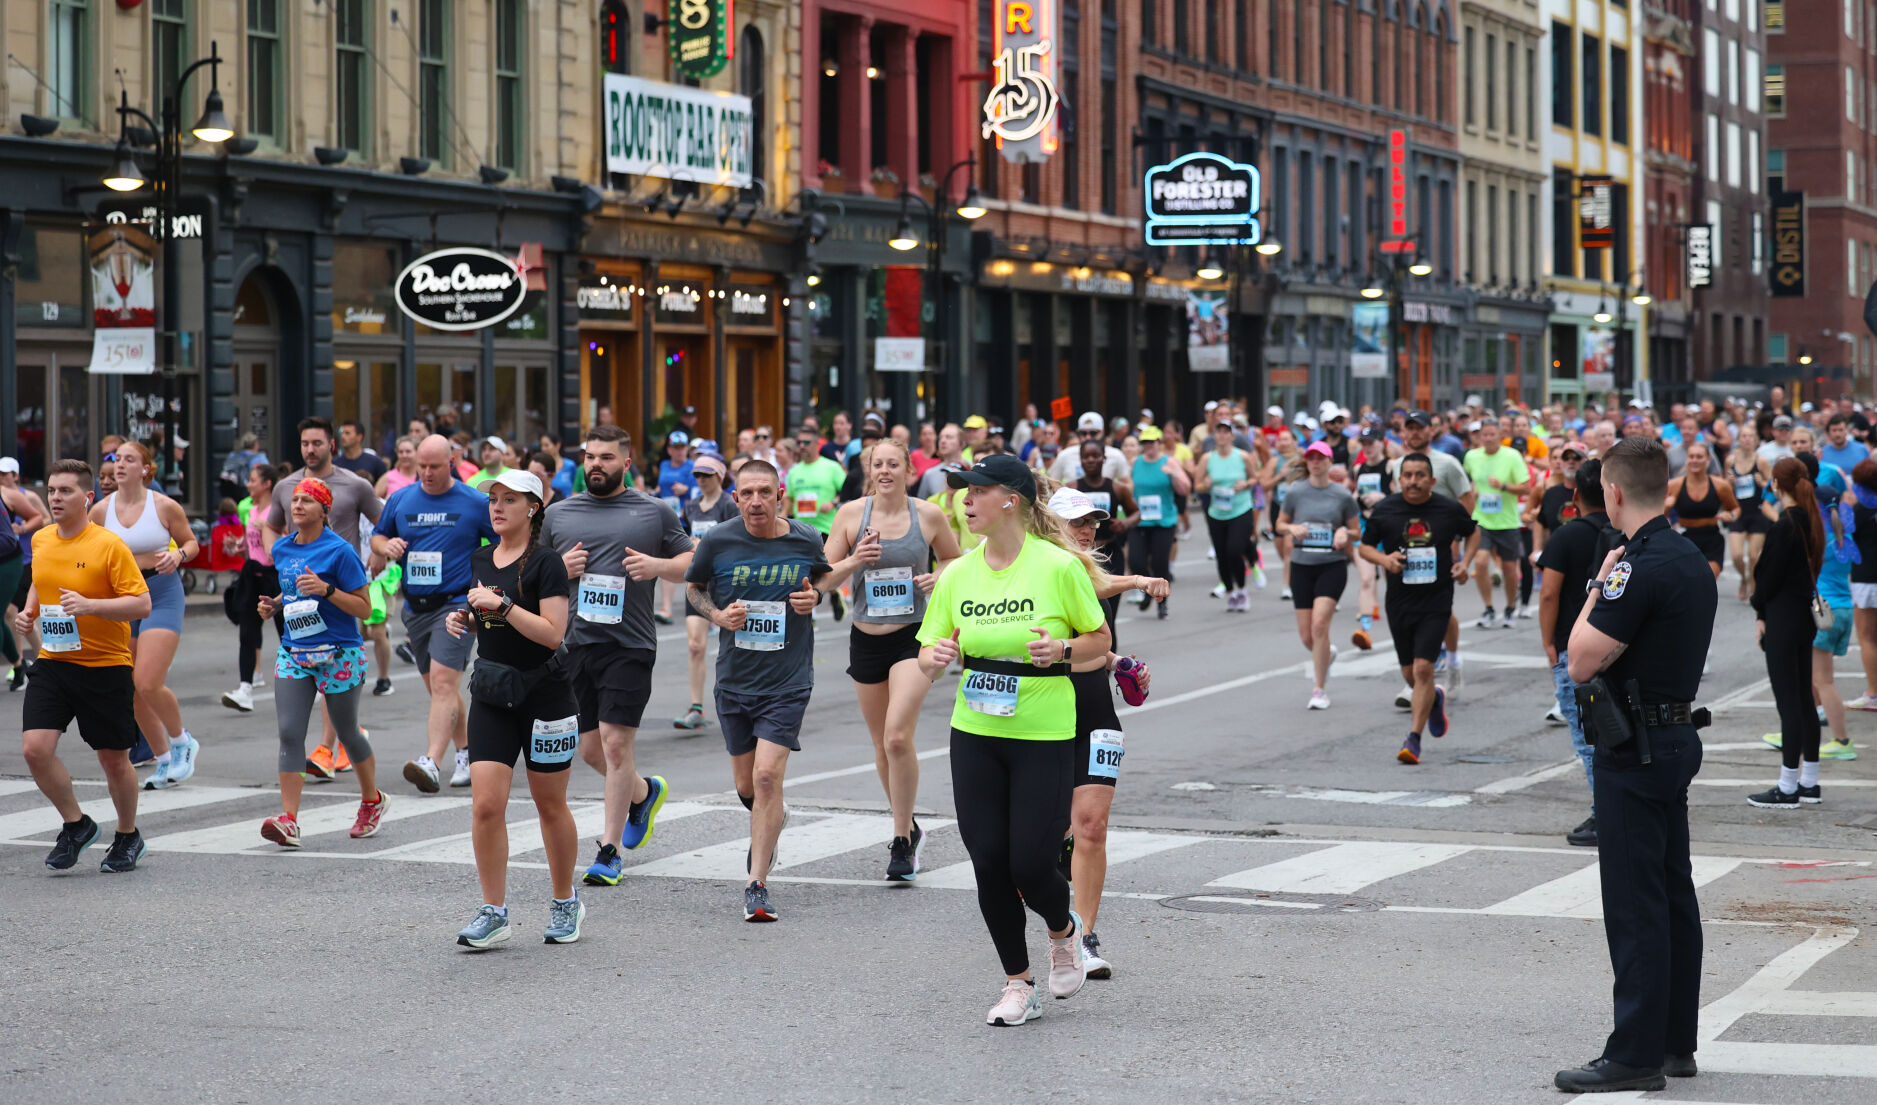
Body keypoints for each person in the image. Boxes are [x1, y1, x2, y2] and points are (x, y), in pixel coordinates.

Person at [916, 455, 1111, 1026]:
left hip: (1043, 733)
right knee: (988, 862)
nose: (965, 500)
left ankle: (1064, 929)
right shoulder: (958, 574)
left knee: (1029, 862)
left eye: (977, 490)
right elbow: (926, 653)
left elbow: (1099, 639)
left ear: (1012, 500)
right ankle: (1018, 984)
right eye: (963, 491)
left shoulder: (1058, 566)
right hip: (975, 732)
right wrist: (936, 656)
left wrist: (1063, 650)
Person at [1554, 436, 1714, 1094]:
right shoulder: (1686, 556)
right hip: (1672, 735)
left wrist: (1597, 584)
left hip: (1635, 748)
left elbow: (1579, 659)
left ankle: (1634, 1053)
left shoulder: (1633, 565)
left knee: (1634, 902)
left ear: (1614, 491)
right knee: (1671, 894)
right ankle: (1674, 1041)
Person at [541, 425, 692, 886]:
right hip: (575, 644)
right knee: (590, 749)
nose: (596, 465)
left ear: (625, 463)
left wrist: (658, 566)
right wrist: (558, 568)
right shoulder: (558, 513)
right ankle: (643, 793)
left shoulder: (654, 512)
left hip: (630, 644)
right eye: (590, 457)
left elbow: (693, 561)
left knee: (614, 744)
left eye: (606, 457)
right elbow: (528, 572)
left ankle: (608, 853)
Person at [444, 470, 586, 949]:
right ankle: (494, 911)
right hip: (493, 692)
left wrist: (500, 605)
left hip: (546, 696)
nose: (498, 507)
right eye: (494, 499)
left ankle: (565, 900)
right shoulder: (481, 557)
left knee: (549, 804)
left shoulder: (546, 562)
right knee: (486, 805)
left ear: (533, 508)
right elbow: (485, 613)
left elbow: (552, 634)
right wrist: (465, 617)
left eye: (509, 499)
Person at [684, 459, 831, 920]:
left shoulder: (806, 538)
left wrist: (815, 596)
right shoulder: (718, 539)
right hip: (735, 680)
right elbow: (694, 587)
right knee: (747, 784)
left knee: (767, 777)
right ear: (735, 498)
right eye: (746, 493)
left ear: (779, 495)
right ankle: (772, 817)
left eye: (764, 492)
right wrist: (716, 615)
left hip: (788, 680)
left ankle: (756, 883)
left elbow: (822, 576)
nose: (755, 501)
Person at [820, 437, 964, 880]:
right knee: (882, 743)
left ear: (908, 470)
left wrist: (936, 577)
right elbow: (822, 578)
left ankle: (901, 839)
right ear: (869, 470)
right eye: (877, 464)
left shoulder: (928, 515)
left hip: (914, 637)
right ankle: (910, 824)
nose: (885, 471)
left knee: (898, 737)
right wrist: (854, 561)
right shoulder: (850, 515)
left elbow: (955, 562)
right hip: (866, 639)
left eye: (893, 464)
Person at [1048, 487, 1163, 981]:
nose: (1087, 530)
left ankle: (1084, 938)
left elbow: (1094, 634)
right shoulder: (1037, 572)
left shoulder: (1090, 575)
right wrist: (1137, 580)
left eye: (1093, 522)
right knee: (1048, 834)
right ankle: (1054, 871)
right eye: (1077, 521)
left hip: (1095, 711)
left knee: (1092, 826)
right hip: (1044, 713)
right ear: (1049, 524)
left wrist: (1118, 664)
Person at [18, 459, 153, 873]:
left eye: (66, 491)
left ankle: (128, 835)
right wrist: (29, 612)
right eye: (52, 490)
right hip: (54, 661)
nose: (55, 498)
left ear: (87, 497)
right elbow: (40, 583)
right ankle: (76, 825)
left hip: (104, 665)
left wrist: (92, 605)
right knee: (35, 749)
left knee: (113, 760)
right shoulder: (42, 539)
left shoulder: (108, 546)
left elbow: (142, 603)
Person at [255, 478, 385, 847]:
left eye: (307, 500)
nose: (297, 505)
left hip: (339, 652)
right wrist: (275, 604)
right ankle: (289, 819)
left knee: (347, 733)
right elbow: (293, 588)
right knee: (289, 732)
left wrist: (327, 590)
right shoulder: (283, 548)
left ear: (324, 510)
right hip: (295, 651)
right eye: (294, 499)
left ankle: (372, 800)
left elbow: (364, 607)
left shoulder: (340, 552)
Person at [372, 435, 498, 792]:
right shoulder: (401, 499)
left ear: (451, 464)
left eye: (434, 467)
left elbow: (504, 541)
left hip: (456, 604)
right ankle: (468, 752)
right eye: (421, 466)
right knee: (441, 689)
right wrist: (386, 545)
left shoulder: (474, 502)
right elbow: (378, 536)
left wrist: (489, 586)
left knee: (443, 683)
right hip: (416, 608)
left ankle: (431, 762)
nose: (426, 473)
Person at [93, 440, 202, 790]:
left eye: (129, 459)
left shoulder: (164, 506)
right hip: (124, 597)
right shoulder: (100, 511)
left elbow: (191, 543)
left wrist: (178, 555)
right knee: (131, 687)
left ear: (145, 469)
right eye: (117, 459)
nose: (120, 465)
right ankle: (163, 758)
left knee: (148, 681)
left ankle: (182, 741)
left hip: (162, 592)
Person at [1358, 453, 1478, 764]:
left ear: (1432, 480)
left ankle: (1413, 739)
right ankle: (1433, 698)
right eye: (1408, 475)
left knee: (1424, 668)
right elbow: (1365, 547)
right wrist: (1384, 559)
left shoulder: (1448, 508)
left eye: (1420, 475)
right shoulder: (1386, 510)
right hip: (1399, 601)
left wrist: (1464, 563)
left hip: (1437, 599)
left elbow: (1473, 531)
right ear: (1399, 480)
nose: (1413, 481)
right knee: (1410, 673)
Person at [1537, 458, 1613, 847]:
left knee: (1588, 738)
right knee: (1617, 733)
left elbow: (1549, 593)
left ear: (1575, 494)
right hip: (1616, 644)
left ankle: (1607, 814)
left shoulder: (1566, 536)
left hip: (1575, 645)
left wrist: (1548, 643)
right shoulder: (1624, 533)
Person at [1275, 441, 1360, 707]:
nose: (1315, 462)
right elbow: (1279, 524)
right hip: (1302, 565)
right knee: (1307, 637)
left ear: (1329, 462)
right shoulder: (1296, 492)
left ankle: (1319, 690)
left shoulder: (1342, 495)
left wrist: (1344, 533)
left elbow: (1357, 531)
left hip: (1331, 565)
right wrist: (1292, 528)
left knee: (1320, 624)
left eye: (1320, 458)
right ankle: (1326, 654)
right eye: (1311, 457)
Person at [674, 453, 739, 730]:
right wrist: (688, 545)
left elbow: (738, 539)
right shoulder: (690, 507)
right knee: (695, 645)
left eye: (707, 475)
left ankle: (738, 701)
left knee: (734, 647)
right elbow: (679, 538)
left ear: (720, 476)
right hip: (699, 583)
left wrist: (709, 546)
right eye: (697, 475)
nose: (701, 480)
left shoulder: (729, 505)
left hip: (726, 583)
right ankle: (696, 708)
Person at [222, 461, 289, 713]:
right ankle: (245, 690)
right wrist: (236, 546)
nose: (248, 484)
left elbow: (292, 542)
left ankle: (305, 682)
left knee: (286, 631)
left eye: (252, 480)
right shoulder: (251, 511)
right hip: (252, 574)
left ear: (266, 484)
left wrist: (273, 532)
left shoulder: (277, 511)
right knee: (247, 632)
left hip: (275, 576)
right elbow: (251, 546)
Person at [1463, 421, 1531, 629]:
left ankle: (1510, 607)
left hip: (1507, 522)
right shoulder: (1471, 456)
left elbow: (1526, 488)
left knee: (1510, 569)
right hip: (1482, 520)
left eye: (1492, 434)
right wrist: (1473, 491)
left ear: (1500, 435)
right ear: (1480, 437)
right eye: (1485, 435)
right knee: (1481, 562)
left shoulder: (1512, 456)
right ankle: (1489, 608)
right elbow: (1469, 481)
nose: (1488, 438)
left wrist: (1502, 486)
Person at [1195, 419, 1261, 613]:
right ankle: (1231, 592)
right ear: (1214, 435)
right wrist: (1206, 485)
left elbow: (1255, 478)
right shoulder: (1207, 459)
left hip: (1241, 509)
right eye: (1219, 432)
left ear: (1232, 436)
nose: (1222, 436)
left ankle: (1242, 590)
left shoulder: (1242, 456)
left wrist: (1245, 485)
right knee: (1221, 555)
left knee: (1234, 551)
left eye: (1226, 432)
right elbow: (1197, 485)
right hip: (1217, 512)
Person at [1128, 426, 1189, 620]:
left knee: (1160, 563)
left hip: (1164, 521)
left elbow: (1185, 489)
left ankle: (1162, 604)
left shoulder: (1169, 462)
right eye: (1144, 442)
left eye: (1151, 442)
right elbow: (1126, 487)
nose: (1148, 446)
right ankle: (1148, 591)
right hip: (1140, 521)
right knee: (1135, 561)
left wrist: (1173, 475)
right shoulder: (1135, 463)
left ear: (1159, 443)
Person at [0, 457, 46, 684]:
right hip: (12, 560)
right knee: (11, 615)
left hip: (25, 560)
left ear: (15, 475)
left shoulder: (24, 496)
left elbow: (44, 518)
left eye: (5, 473)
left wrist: (23, 528)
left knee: (17, 614)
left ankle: (41, 660)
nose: (2, 477)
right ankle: (19, 663)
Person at [1665, 441, 1737, 579]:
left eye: (1699, 457)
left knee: (1707, 578)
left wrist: (1731, 515)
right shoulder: (1674, 485)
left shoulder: (1720, 485)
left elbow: (1735, 508)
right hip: (1685, 538)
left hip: (1712, 538)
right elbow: (1659, 517)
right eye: (1691, 457)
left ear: (1708, 459)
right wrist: (1667, 506)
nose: (1695, 460)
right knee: (1690, 581)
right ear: (1686, 459)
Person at [1349, 427, 1394, 648]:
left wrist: (1382, 497)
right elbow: (1355, 493)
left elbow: (1402, 494)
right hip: (1365, 526)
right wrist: (1354, 498)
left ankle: (1400, 623)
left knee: (1392, 579)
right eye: (1364, 443)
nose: (1367, 447)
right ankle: (1364, 631)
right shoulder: (1359, 468)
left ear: (1381, 443)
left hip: (1388, 526)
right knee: (1367, 579)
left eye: (1371, 443)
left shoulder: (1391, 466)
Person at [1725, 423, 1775, 601]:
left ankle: (1754, 586)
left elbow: (1774, 488)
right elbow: (1725, 488)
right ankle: (1744, 578)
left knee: (1754, 556)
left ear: (1756, 441)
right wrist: (1729, 482)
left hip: (1757, 512)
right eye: (1744, 436)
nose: (1747, 439)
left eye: (1750, 436)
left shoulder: (1761, 461)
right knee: (1737, 555)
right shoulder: (1730, 461)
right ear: (1738, 440)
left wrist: (1762, 483)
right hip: (1739, 512)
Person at [654, 430, 699, 625]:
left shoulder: (693, 467)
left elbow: (700, 491)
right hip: (666, 519)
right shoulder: (664, 465)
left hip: (686, 520)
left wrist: (686, 490)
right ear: (669, 449)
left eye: (682, 447)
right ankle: (666, 609)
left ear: (687, 449)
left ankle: (701, 607)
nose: (679, 451)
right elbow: (661, 488)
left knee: (695, 562)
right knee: (667, 561)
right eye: (676, 447)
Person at [333, 419, 389, 485]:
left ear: (359, 437)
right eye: (342, 433)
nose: (342, 436)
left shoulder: (375, 462)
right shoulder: (335, 464)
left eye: (347, 433)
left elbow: (385, 486)